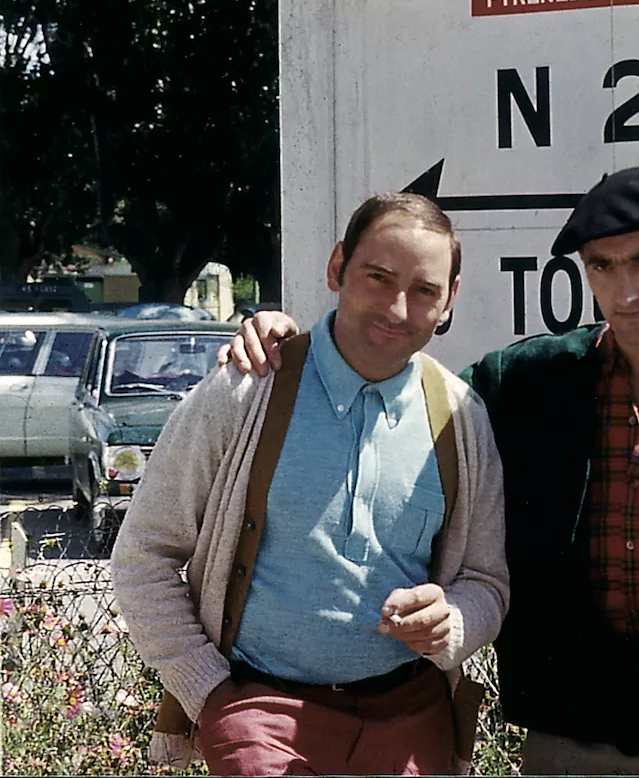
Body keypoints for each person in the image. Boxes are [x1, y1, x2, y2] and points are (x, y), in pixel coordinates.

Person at [228, 166, 639, 776]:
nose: (627, 289)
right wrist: (294, 339)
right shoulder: (530, 383)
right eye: (603, 266)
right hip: (570, 742)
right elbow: (398, 386)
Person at [112, 193, 509, 776]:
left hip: (408, 716)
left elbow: (486, 582)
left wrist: (450, 622)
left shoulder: (459, 416)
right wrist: (210, 693)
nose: (398, 308)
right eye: (378, 277)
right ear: (336, 268)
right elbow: (144, 554)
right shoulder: (247, 390)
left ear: (448, 302)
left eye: (424, 290)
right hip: (258, 710)